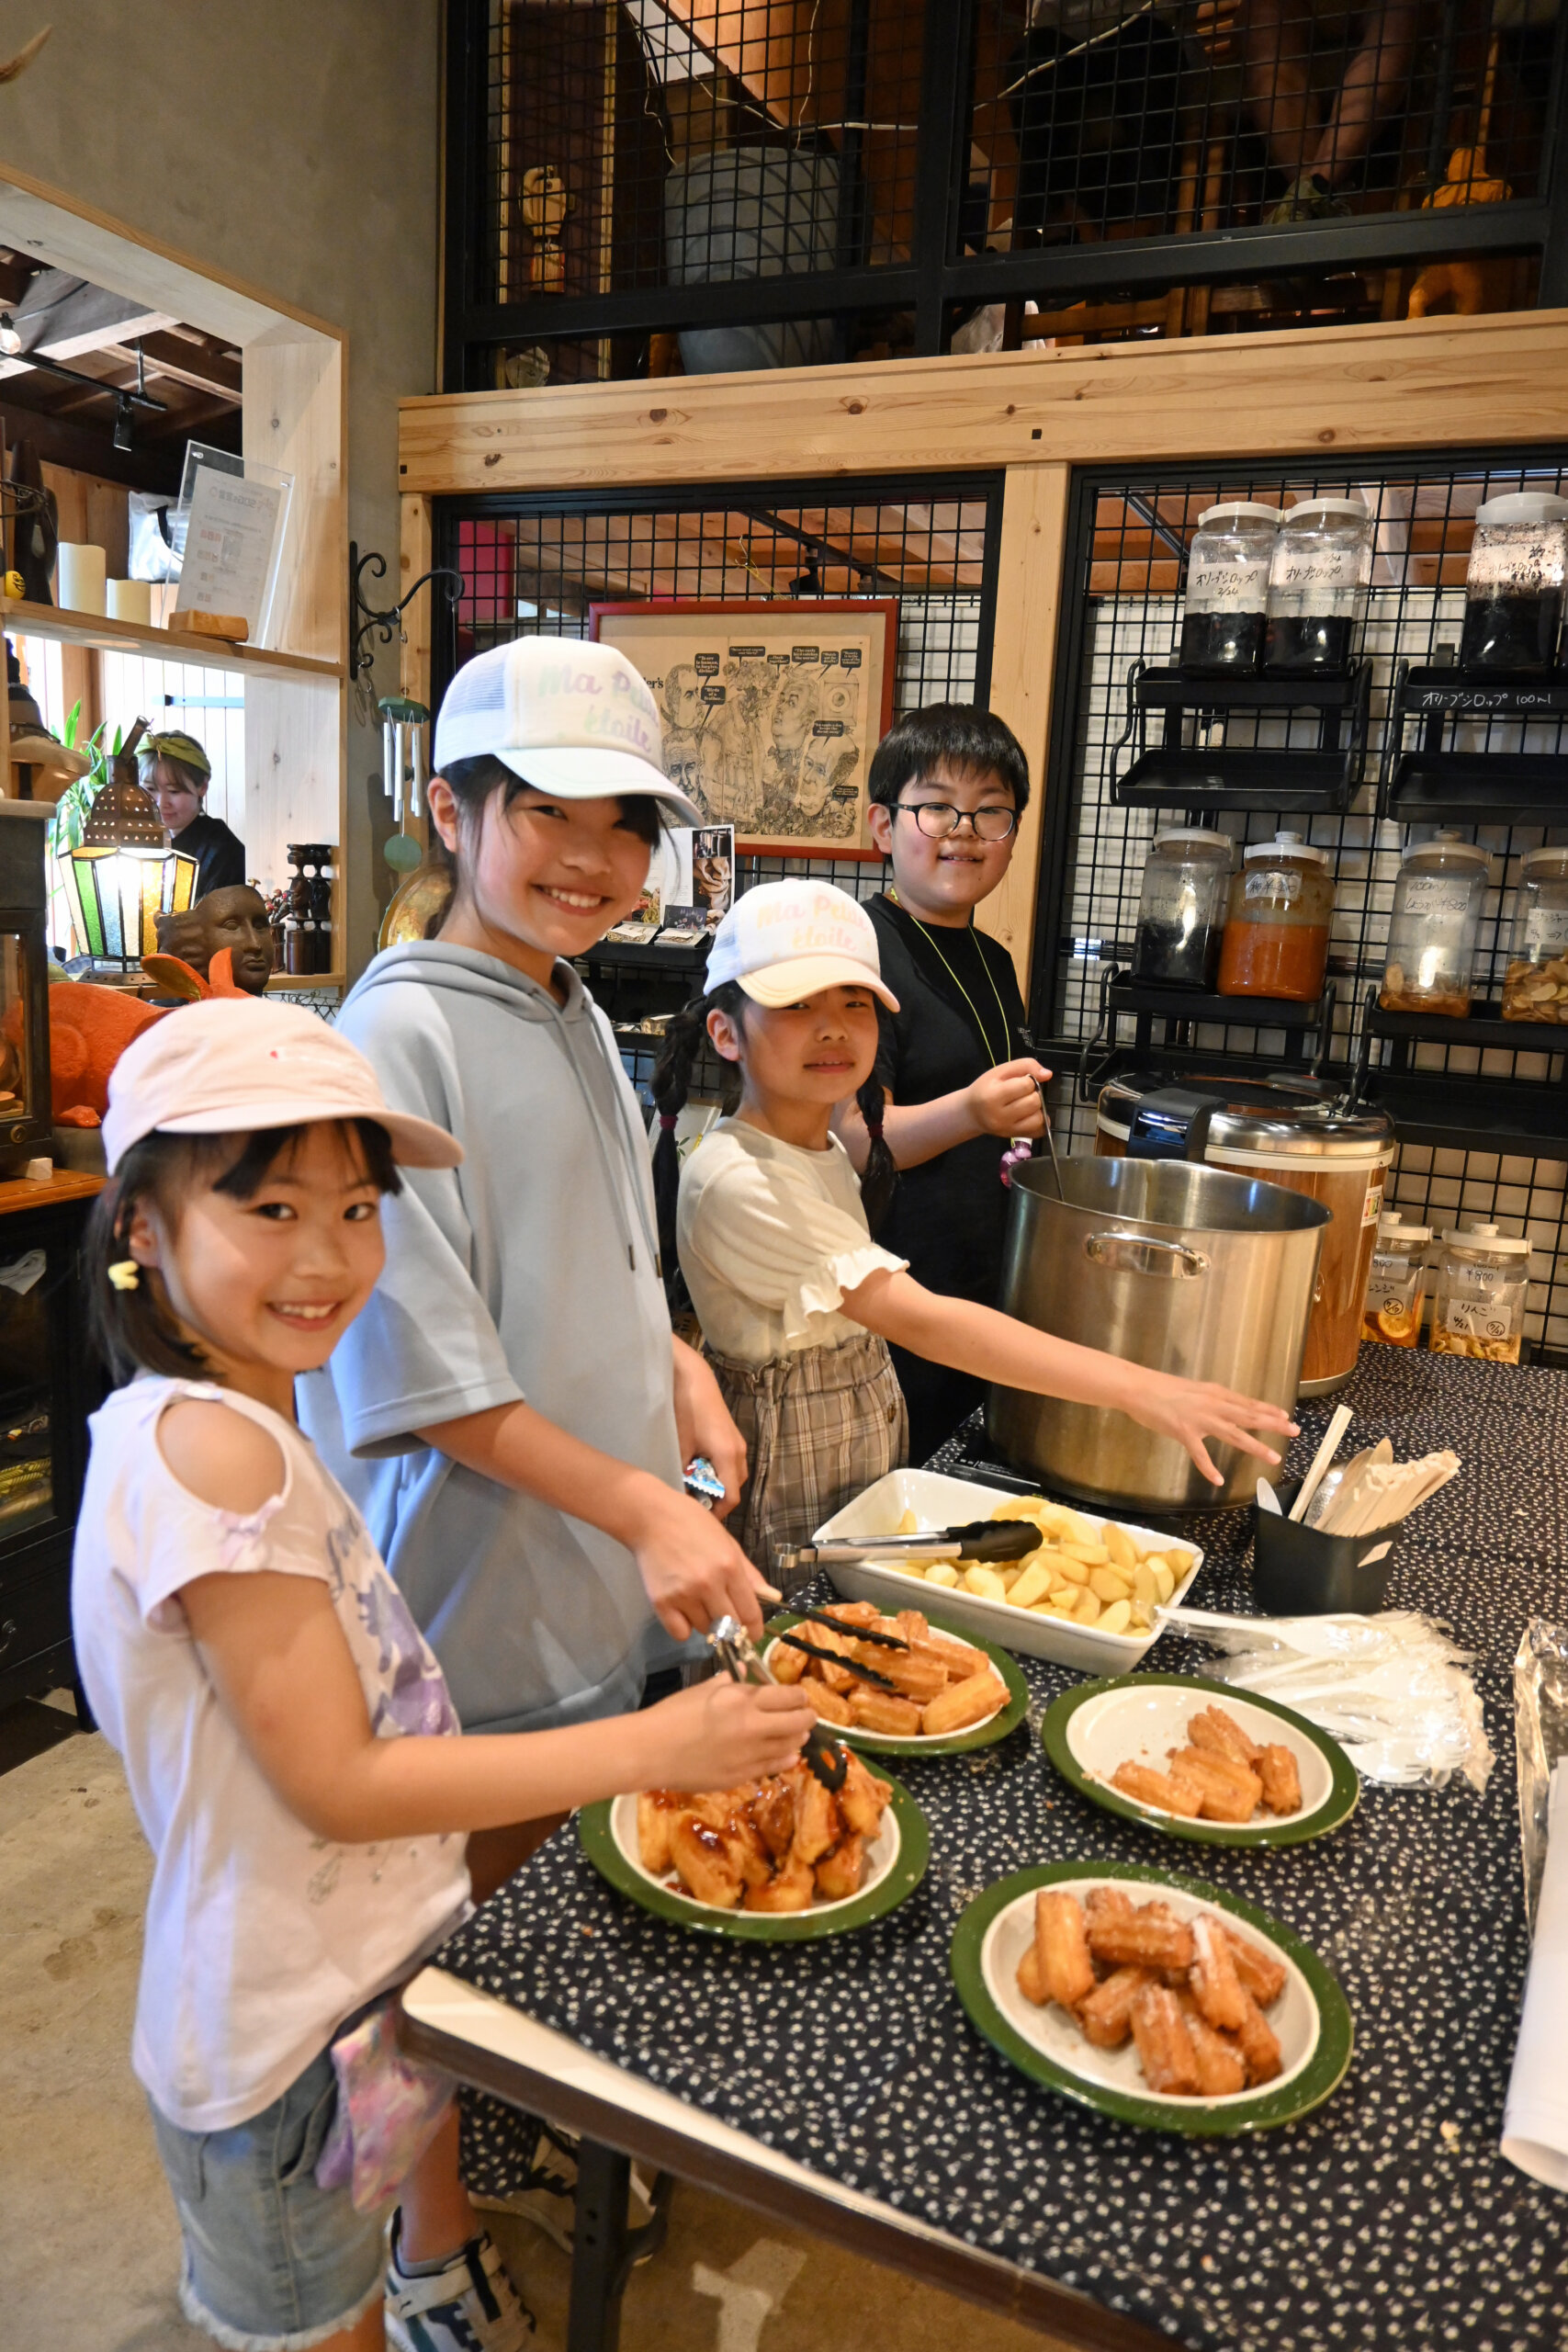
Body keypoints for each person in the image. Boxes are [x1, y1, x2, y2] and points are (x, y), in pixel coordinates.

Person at [73, 998, 813, 2352]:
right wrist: (657, 1750)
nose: (329, 1259)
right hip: (282, 2044)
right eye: (272, 1211)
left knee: (366, 2260)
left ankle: (430, 2268)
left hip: (358, 1994)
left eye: (358, 1211)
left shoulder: (254, 1411)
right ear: (140, 1228)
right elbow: (342, 1783)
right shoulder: (211, 1458)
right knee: (323, 2323)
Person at [299, 636, 762, 1903]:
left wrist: (676, 1366)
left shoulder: (576, 1007)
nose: (591, 857)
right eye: (546, 812)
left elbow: (600, 1251)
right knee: (478, 1964)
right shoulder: (397, 1035)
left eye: (623, 826)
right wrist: (648, 1509)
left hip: (596, 1580)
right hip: (474, 1608)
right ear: (450, 811)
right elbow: (428, 1379)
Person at [651, 879, 1296, 1570]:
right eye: (795, 1005)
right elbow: (924, 1321)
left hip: (852, 1459)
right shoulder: (742, 1177)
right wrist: (1141, 1389)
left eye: (854, 1002)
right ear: (725, 1032)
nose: (833, 1026)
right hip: (783, 1477)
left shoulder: (820, 1148)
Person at [832, 704, 1050, 1463]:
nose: (962, 828)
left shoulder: (993, 959)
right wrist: (970, 1111)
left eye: (990, 812)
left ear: (1012, 837)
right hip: (892, 1302)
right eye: (935, 808)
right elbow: (852, 1140)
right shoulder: (860, 954)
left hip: (980, 1287)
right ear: (883, 827)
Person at [140, 729, 246, 899]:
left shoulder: (224, 853)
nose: (160, 803)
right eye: (150, 789)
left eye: (174, 791)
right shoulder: (135, 840)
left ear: (202, 787)